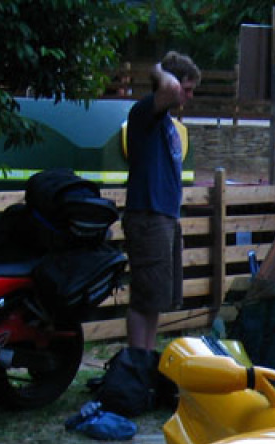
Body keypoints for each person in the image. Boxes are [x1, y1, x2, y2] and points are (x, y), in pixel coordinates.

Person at [123, 52, 200, 351]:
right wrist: (159, 67)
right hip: (147, 216)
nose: (189, 96)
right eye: (188, 88)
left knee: (155, 299)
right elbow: (167, 88)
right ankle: (135, 364)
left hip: (164, 218)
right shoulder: (146, 113)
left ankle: (145, 360)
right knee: (143, 299)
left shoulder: (165, 120)